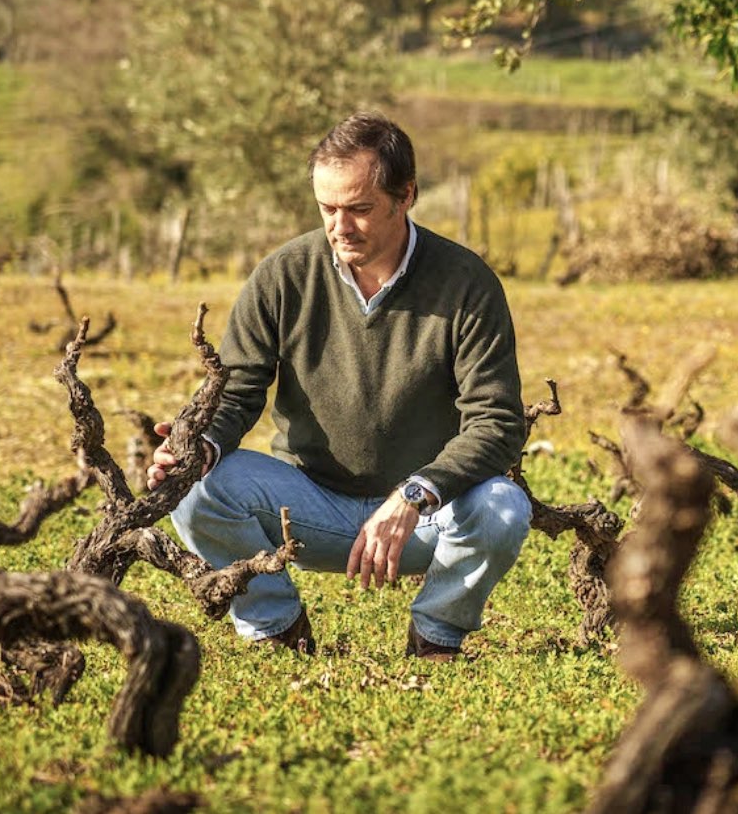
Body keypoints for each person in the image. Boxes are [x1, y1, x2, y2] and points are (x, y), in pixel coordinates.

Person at [149, 112, 531, 659]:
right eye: (328, 208)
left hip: (426, 515)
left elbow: (496, 421)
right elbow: (235, 390)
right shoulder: (284, 275)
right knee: (194, 486)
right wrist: (195, 446)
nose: (340, 227)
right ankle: (277, 628)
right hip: (308, 509)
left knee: (503, 508)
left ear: (407, 196)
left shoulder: (466, 283)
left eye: (359, 209)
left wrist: (415, 494)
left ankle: (436, 634)